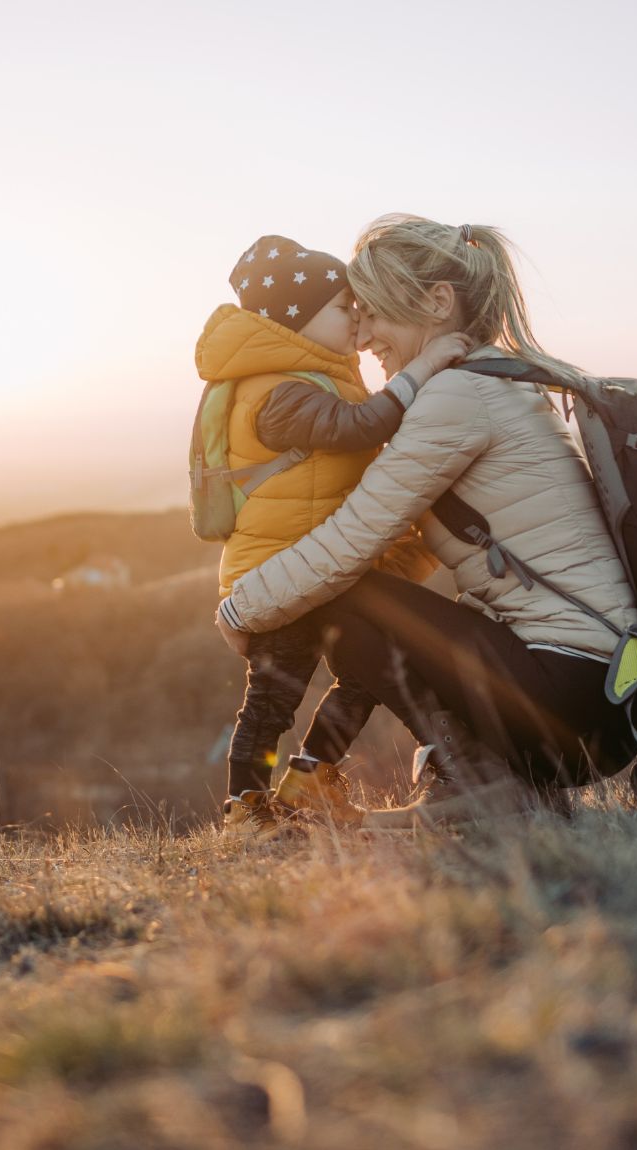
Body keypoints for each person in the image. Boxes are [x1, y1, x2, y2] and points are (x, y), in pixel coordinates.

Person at [216, 217, 637, 826]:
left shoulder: (457, 397)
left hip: (570, 696)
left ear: (438, 303)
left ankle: (479, 784)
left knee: (336, 598)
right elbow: (407, 543)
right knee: (352, 598)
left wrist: (243, 607)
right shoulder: (492, 379)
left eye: (375, 314)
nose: (363, 336)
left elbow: (351, 539)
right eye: (355, 314)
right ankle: (478, 777)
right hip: (603, 701)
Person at [198, 234, 470, 839]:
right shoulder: (276, 391)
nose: (356, 318)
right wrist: (425, 367)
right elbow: (358, 429)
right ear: (297, 320)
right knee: (273, 697)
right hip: (276, 573)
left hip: (320, 571)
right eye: (343, 306)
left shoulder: (319, 378)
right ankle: (246, 805)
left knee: (364, 674)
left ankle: (311, 777)